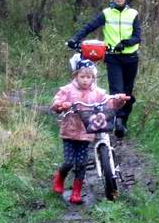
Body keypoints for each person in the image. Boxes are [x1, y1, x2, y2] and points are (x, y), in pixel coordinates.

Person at [67, 0, 141, 139]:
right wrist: (75, 38)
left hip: (131, 58)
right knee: (117, 90)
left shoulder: (133, 14)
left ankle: (124, 120)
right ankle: (118, 120)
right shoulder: (107, 13)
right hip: (112, 57)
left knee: (127, 92)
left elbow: (137, 37)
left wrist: (126, 43)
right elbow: (90, 27)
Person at [50, 58, 128, 204]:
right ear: (75, 76)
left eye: (89, 77)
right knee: (68, 162)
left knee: (82, 163)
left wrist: (119, 99)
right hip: (69, 132)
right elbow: (55, 104)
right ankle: (60, 177)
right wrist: (61, 105)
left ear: (93, 78)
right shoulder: (67, 90)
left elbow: (109, 102)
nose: (85, 80)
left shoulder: (97, 92)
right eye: (82, 77)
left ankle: (76, 192)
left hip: (86, 133)